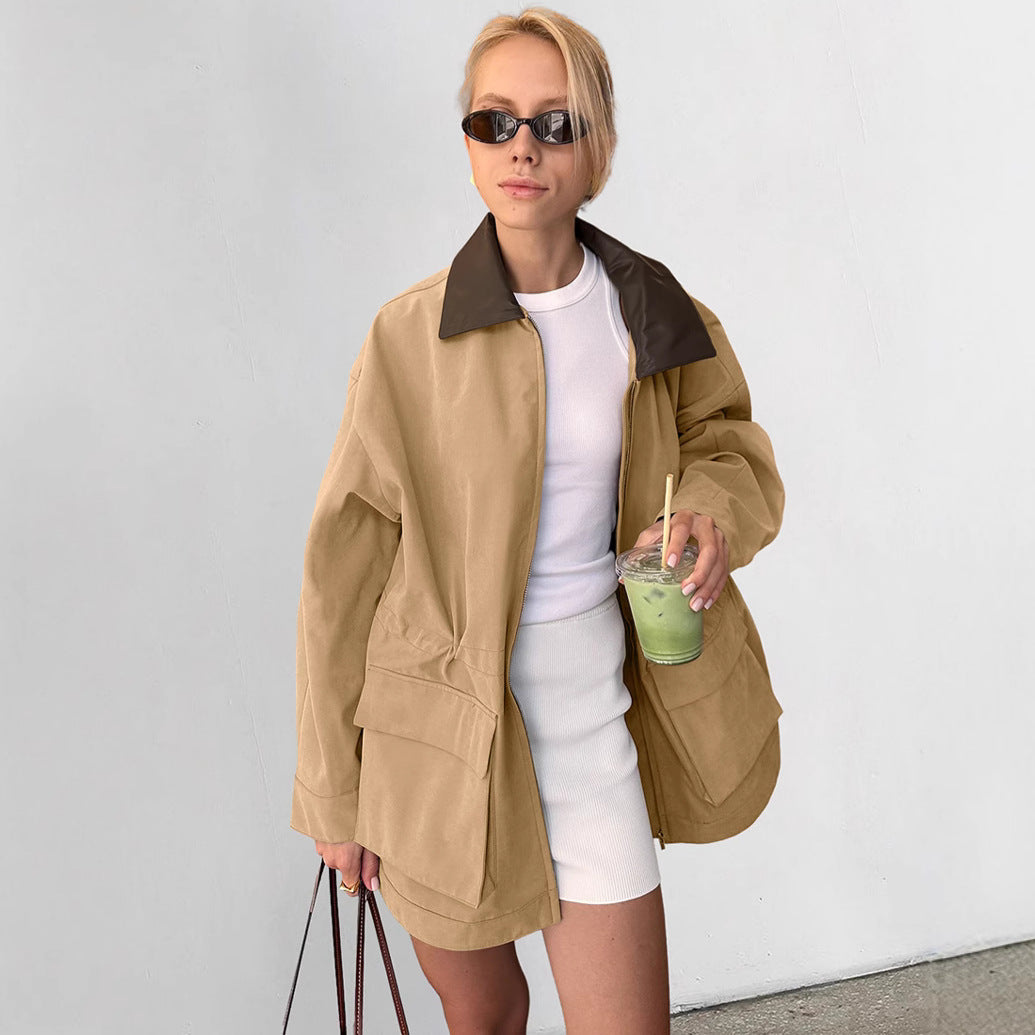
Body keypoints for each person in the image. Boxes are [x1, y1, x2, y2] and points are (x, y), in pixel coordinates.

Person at [291, 7, 785, 1033]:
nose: (522, 146)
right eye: (494, 121)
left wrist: (706, 509)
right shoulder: (408, 338)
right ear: (470, 141)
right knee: (486, 1015)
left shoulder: (652, 312)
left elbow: (727, 442)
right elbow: (344, 573)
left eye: (555, 123)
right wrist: (336, 796)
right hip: (436, 741)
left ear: (597, 144)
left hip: (589, 718)